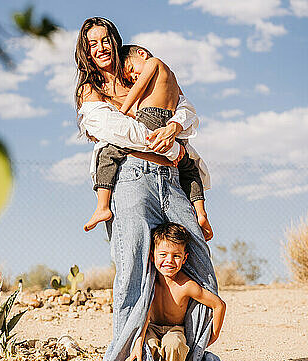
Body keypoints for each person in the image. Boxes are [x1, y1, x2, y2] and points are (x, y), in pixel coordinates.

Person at [75, 16, 228, 361]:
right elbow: (113, 130)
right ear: (86, 52)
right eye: (92, 44)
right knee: (134, 273)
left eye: (105, 39)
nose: (102, 48)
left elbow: (188, 110)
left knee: (200, 267)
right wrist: (163, 140)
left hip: (171, 179)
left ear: (116, 41)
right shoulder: (90, 91)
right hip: (131, 181)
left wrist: (175, 128)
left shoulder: (138, 68)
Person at [83, 44, 213, 241]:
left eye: (130, 71)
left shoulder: (153, 63)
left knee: (108, 151)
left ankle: (102, 206)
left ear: (141, 54)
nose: (133, 78)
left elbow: (138, 88)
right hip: (168, 120)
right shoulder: (173, 79)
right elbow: (184, 106)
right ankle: (201, 213)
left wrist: (123, 111)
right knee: (190, 169)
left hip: (151, 117)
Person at [123, 222, 226, 361]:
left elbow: (219, 305)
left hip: (175, 328)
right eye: (163, 254)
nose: (169, 261)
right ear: (152, 255)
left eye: (176, 256)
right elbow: (144, 312)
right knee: (148, 346)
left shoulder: (186, 285)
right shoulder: (149, 282)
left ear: (185, 259)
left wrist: (214, 334)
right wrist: (138, 341)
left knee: (175, 344)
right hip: (151, 327)